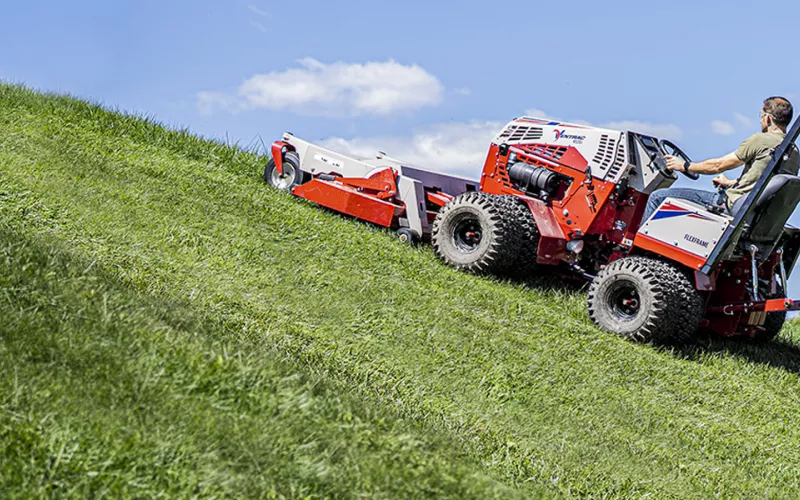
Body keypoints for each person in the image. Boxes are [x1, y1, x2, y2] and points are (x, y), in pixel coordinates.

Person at [642, 96, 799, 222]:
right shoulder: (793, 152)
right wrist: (730, 183)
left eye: (761, 115)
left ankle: (636, 255)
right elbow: (766, 183)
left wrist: (685, 165)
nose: (760, 120)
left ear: (768, 118)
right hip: (756, 214)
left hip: (731, 204)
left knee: (657, 197)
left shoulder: (761, 140)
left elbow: (718, 165)